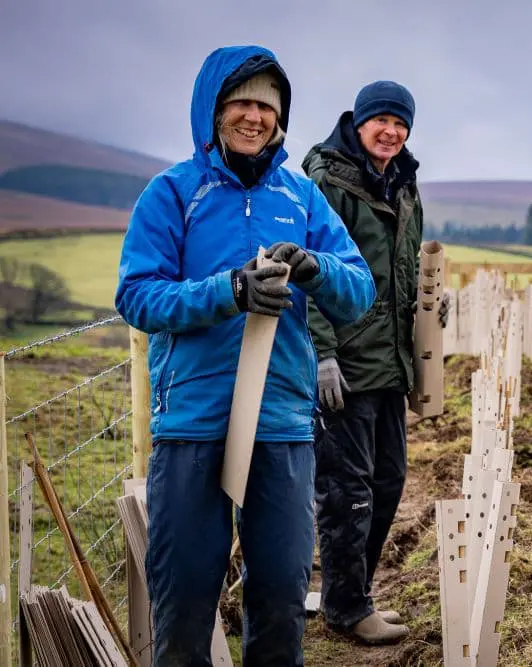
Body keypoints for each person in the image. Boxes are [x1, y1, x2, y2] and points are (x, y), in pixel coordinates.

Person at [114, 45, 375, 666]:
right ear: (213, 111)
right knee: (183, 601)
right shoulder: (173, 193)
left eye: (266, 105)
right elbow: (137, 294)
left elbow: (359, 291)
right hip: (193, 420)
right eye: (241, 103)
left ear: (280, 117)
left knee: (283, 593)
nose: (254, 116)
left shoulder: (304, 198)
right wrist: (229, 291)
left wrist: (315, 268)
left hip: (281, 421)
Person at [302, 80, 449, 645]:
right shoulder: (326, 181)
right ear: (358, 122)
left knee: (388, 482)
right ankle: (345, 608)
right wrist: (321, 353)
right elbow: (307, 271)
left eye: (401, 123)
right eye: (381, 121)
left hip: (389, 363)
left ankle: (352, 594)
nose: (391, 132)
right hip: (344, 365)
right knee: (347, 489)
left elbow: (405, 270)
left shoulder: (405, 186)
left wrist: (432, 306)